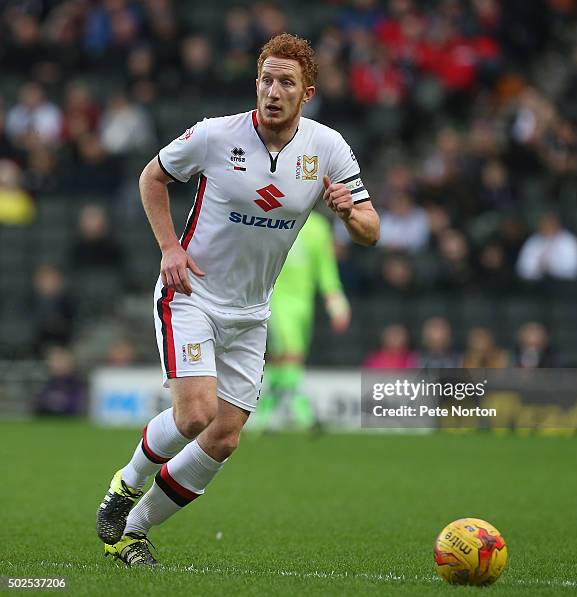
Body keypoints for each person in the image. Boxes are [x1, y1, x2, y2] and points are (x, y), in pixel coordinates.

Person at [96, 33, 380, 567]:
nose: (273, 91)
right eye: (266, 79)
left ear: (307, 93)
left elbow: (370, 230)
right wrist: (169, 248)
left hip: (251, 314)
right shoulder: (213, 135)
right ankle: (123, 489)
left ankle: (132, 531)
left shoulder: (328, 149)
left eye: (286, 83)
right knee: (195, 414)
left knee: (224, 438)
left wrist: (349, 213)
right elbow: (152, 176)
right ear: (257, 82)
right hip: (191, 294)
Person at [257, 210, 351, 430]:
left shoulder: (318, 227)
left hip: (304, 305)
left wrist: (337, 304)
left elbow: (326, 268)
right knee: (292, 354)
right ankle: (305, 416)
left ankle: (264, 417)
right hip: (276, 300)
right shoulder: (271, 217)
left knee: (283, 360)